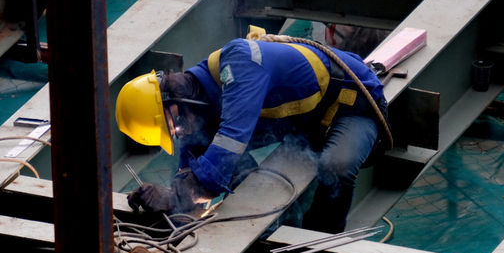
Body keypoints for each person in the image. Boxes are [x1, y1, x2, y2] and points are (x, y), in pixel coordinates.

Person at [115, 28, 391, 233]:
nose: (179, 131)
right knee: (208, 149)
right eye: (173, 132)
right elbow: (193, 161)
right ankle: (263, 223)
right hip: (305, 122)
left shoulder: (240, 65)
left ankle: (320, 242)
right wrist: (169, 200)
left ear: (170, 96)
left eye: (173, 124)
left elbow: (230, 143)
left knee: (336, 166)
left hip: (351, 105)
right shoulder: (195, 101)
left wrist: (178, 196)